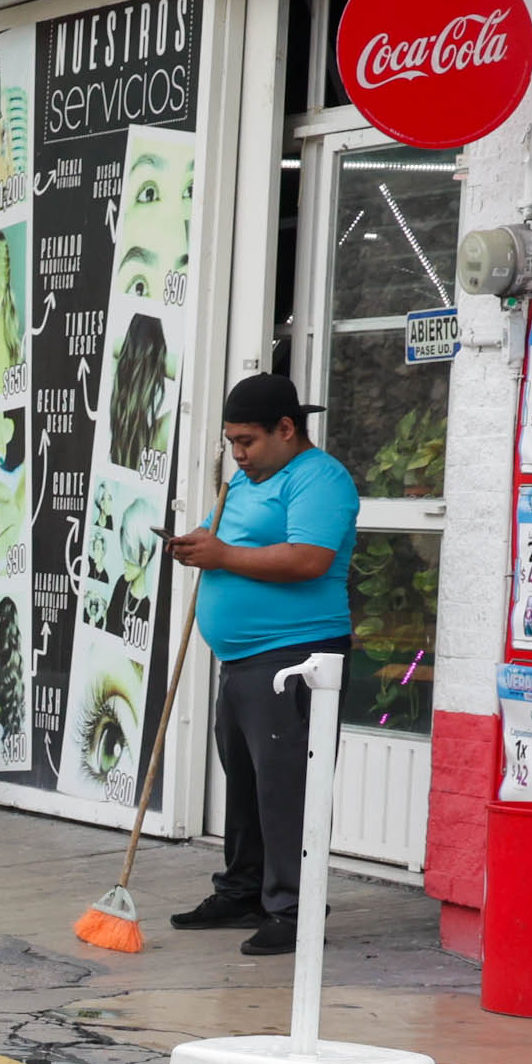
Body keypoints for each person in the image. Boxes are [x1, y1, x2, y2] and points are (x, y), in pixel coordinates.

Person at [164, 375, 358, 957]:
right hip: (242, 657)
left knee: (286, 789)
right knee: (246, 784)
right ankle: (244, 888)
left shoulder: (319, 479)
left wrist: (221, 555)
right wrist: (196, 545)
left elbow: (308, 559)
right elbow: (219, 538)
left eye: (247, 440)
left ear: (285, 429)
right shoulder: (246, 482)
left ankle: (294, 909)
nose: (239, 453)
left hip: (297, 655)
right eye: (231, 442)